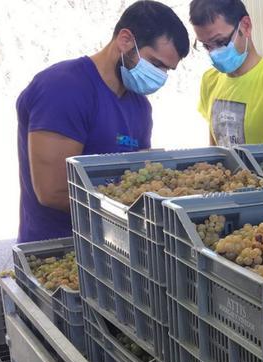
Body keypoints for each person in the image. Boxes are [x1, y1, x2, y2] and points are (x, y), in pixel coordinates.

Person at [16, 0, 189, 243]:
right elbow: (53, 193)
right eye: (156, 64)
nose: (159, 76)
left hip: (113, 247)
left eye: (167, 70)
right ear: (125, 40)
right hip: (58, 249)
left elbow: (136, 176)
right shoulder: (63, 89)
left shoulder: (139, 106)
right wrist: (130, 210)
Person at [190, 0, 263, 146]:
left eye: (220, 42)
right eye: (206, 46)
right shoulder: (209, 80)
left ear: (246, 26)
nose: (214, 53)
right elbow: (215, 150)